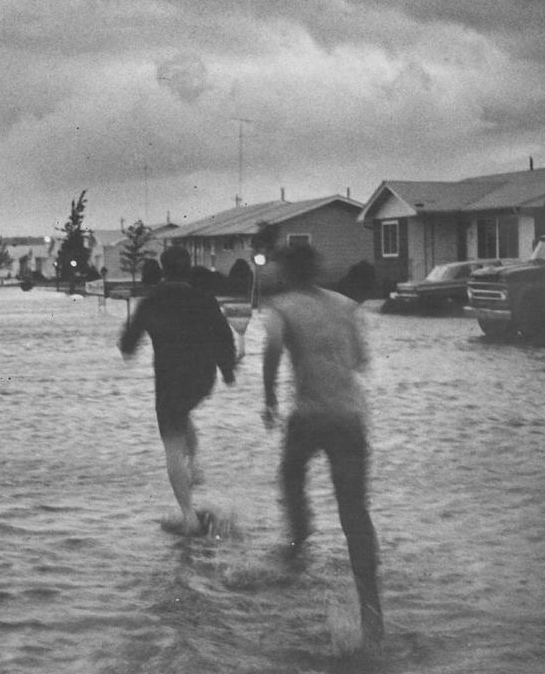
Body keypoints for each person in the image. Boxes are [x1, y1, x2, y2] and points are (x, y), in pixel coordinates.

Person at [261, 242, 384, 645]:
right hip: (350, 417)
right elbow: (360, 361)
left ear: (286, 272)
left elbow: (272, 350)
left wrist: (270, 398)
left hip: (310, 415)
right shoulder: (345, 306)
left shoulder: (281, 306)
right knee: (355, 512)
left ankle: (299, 536)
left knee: (290, 474)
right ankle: (372, 613)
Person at [119, 246, 237, 535]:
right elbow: (223, 337)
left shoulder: (152, 301)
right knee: (183, 415)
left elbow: (128, 345)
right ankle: (194, 464)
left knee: (172, 447)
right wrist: (228, 371)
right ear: (188, 269)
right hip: (202, 378)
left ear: (163, 269)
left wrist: (130, 342)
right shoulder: (203, 298)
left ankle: (189, 517)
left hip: (170, 381)